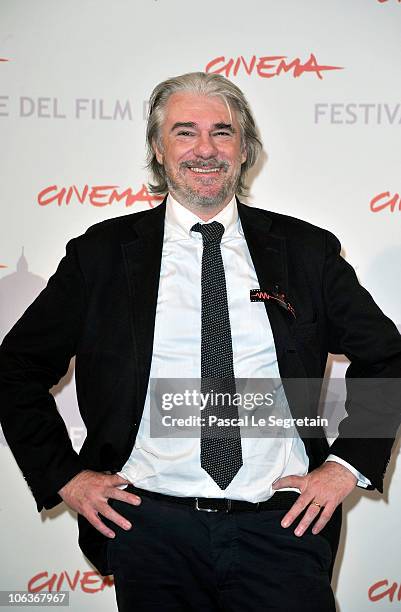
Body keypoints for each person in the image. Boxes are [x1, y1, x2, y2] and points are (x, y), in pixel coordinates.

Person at [0, 72, 400, 612]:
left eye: (223, 132)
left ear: (244, 149)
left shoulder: (305, 251)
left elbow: (388, 357)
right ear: (159, 151)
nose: (205, 150)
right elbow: (16, 367)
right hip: (149, 529)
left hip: (283, 526)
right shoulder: (101, 254)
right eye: (185, 132)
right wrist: (66, 477)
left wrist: (344, 467)